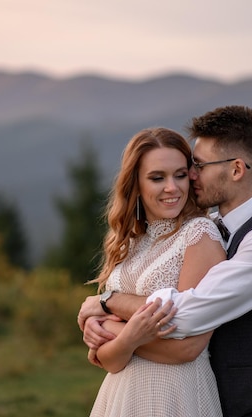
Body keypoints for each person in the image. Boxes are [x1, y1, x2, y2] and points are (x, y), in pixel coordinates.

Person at [78, 106, 252, 417]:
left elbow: (183, 316)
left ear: (237, 169)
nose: (190, 177)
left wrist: (107, 308)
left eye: (196, 166)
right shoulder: (205, 224)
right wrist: (112, 329)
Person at [86, 126, 227, 416]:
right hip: (122, 397)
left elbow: (186, 349)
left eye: (179, 174)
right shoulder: (127, 241)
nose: (172, 188)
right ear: (135, 184)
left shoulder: (199, 235)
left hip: (177, 394)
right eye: (157, 178)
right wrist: (125, 339)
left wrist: (114, 331)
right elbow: (107, 361)